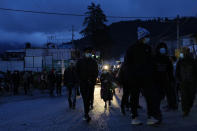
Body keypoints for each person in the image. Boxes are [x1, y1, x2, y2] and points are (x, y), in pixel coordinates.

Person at [124, 27, 161, 125]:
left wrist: (153, 74)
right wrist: (129, 77)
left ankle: (150, 117)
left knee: (150, 97)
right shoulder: (131, 49)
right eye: (147, 37)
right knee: (134, 97)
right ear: (142, 37)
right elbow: (127, 65)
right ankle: (134, 117)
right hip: (135, 78)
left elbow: (151, 63)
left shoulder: (148, 48)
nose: (148, 39)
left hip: (147, 78)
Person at [76, 47, 98, 122]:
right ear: (84, 53)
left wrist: (93, 80)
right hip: (83, 83)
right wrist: (80, 81)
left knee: (88, 98)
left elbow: (96, 72)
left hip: (91, 84)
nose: (88, 53)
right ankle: (86, 113)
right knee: (85, 99)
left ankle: (86, 112)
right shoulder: (80, 62)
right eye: (87, 52)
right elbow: (77, 72)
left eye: (89, 52)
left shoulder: (93, 62)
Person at [154, 43, 177, 112]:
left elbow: (170, 69)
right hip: (158, 79)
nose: (163, 49)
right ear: (158, 49)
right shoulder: (155, 58)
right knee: (159, 94)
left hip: (166, 78)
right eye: (161, 48)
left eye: (164, 48)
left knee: (170, 93)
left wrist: (171, 78)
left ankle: (172, 105)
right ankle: (158, 108)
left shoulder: (167, 58)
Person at [176, 48, 197, 117]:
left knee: (191, 96)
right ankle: (185, 110)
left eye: (186, 52)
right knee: (184, 97)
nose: (185, 53)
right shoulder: (180, 61)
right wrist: (179, 80)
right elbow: (177, 72)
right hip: (183, 82)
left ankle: (188, 107)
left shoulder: (193, 61)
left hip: (192, 82)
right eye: (184, 52)